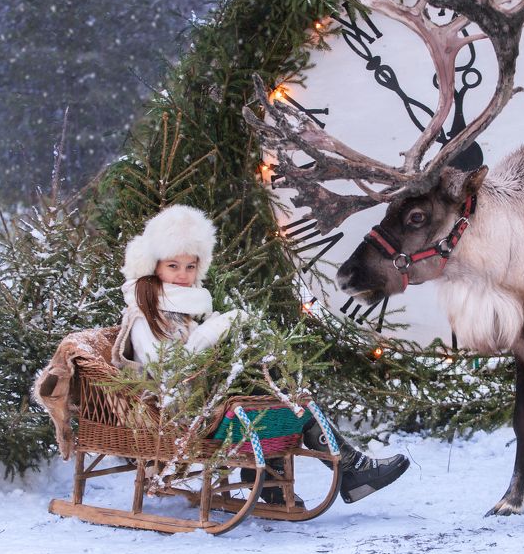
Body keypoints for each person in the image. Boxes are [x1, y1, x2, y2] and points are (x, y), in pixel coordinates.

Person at [111, 204, 409, 504]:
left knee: (281, 387)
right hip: (181, 413)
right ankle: (341, 469)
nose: (182, 275)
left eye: (190, 267)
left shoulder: (185, 305)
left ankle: (288, 475)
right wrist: (214, 330)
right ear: (155, 266)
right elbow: (168, 372)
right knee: (283, 395)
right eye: (173, 266)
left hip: (207, 398)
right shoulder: (144, 315)